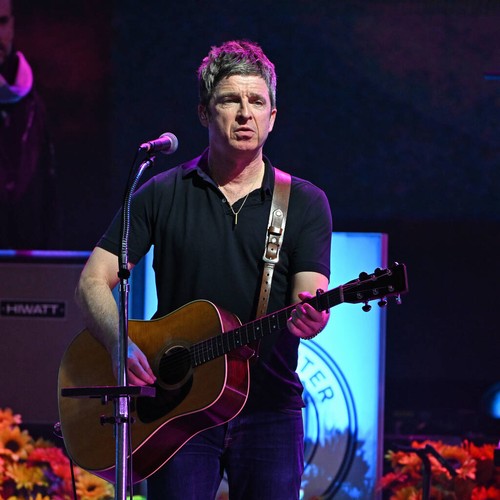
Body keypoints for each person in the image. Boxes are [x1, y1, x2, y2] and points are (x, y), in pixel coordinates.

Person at [76, 40, 332, 499]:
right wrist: (118, 343)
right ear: (203, 112)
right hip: (178, 410)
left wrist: (313, 315)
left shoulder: (305, 202)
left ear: (273, 117)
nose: (245, 114)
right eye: (230, 100)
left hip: (269, 410)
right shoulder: (161, 192)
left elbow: (309, 295)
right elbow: (92, 281)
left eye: (257, 102)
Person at [0, 0, 58, 249]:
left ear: (12, 26)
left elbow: (46, 184)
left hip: (24, 249)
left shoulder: (33, 98)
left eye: (2, 22)